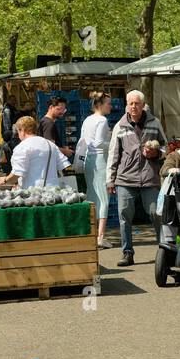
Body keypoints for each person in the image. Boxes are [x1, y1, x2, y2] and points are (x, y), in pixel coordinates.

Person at [106, 90, 166, 267]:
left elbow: (166, 148)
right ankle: (127, 253)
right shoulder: (120, 126)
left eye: (137, 103)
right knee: (124, 216)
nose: (133, 107)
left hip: (149, 177)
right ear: (126, 105)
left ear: (143, 105)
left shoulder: (154, 123)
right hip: (125, 178)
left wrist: (156, 153)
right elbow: (113, 154)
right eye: (130, 103)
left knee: (156, 213)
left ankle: (164, 250)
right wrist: (110, 180)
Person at [74, 91, 114, 247]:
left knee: (92, 196)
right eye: (108, 103)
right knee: (103, 198)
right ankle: (100, 236)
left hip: (88, 161)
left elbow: (84, 141)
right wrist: (113, 144)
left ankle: (91, 233)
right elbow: (98, 143)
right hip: (99, 161)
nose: (110, 106)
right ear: (99, 105)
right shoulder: (102, 120)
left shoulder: (87, 120)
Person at [0, 116, 69, 188]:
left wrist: (5, 179)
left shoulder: (22, 147)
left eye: (18, 132)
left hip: (32, 192)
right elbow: (64, 166)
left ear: (22, 131)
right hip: (53, 191)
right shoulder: (50, 145)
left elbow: (17, 173)